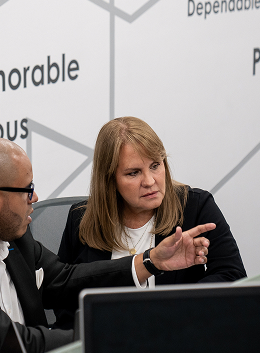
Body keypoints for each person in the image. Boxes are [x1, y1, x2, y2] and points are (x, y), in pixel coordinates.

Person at [0, 136, 215, 353]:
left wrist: (150, 261)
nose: (35, 198)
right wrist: (121, 334)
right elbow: (11, 342)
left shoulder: (11, 232)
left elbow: (62, 279)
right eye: (27, 189)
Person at [56, 116, 247, 329]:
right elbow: (64, 300)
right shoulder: (81, 219)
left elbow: (233, 276)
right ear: (109, 179)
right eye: (134, 173)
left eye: (155, 165)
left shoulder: (195, 207)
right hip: (106, 341)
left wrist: (176, 312)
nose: (149, 181)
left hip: (181, 334)